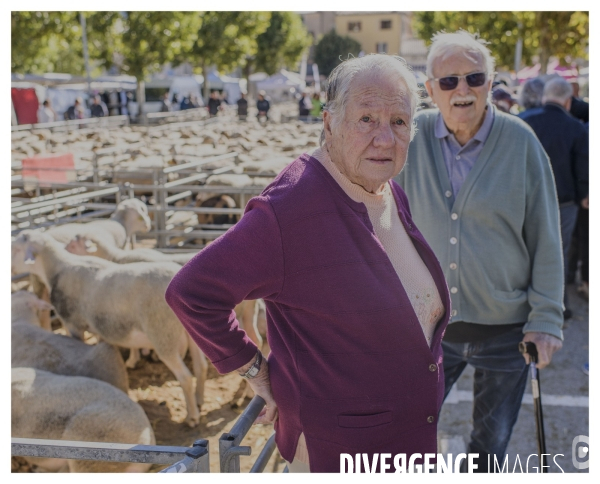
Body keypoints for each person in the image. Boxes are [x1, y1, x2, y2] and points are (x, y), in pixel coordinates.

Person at [166, 54, 451, 473]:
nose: (386, 138)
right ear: (329, 123)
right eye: (367, 119)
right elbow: (191, 292)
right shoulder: (291, 208)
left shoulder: (386, 189)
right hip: (341, 453)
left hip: (406, 443)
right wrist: (254, 370)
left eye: (399, 122)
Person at [395, 30, 563, 473]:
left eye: (474, 78)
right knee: (404, 432)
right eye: (448, 82)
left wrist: (546, 319)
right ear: (429, 90)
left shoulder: (521, 141)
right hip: (428, 331)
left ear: (491, 83)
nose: (462, 90)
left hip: (505, 330)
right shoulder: (409, 143)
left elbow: (546, 235)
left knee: (489, 447)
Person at [521, 76, 589, 320]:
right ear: (568, 101)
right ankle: (557, 305)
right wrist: (585, 197)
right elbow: (583, 168)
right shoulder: (576, 127)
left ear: (543, 96)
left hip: (526, 200)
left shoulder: (522, 122)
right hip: (564, 202)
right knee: (558, 253)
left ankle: (525, 304)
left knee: (526, 251)